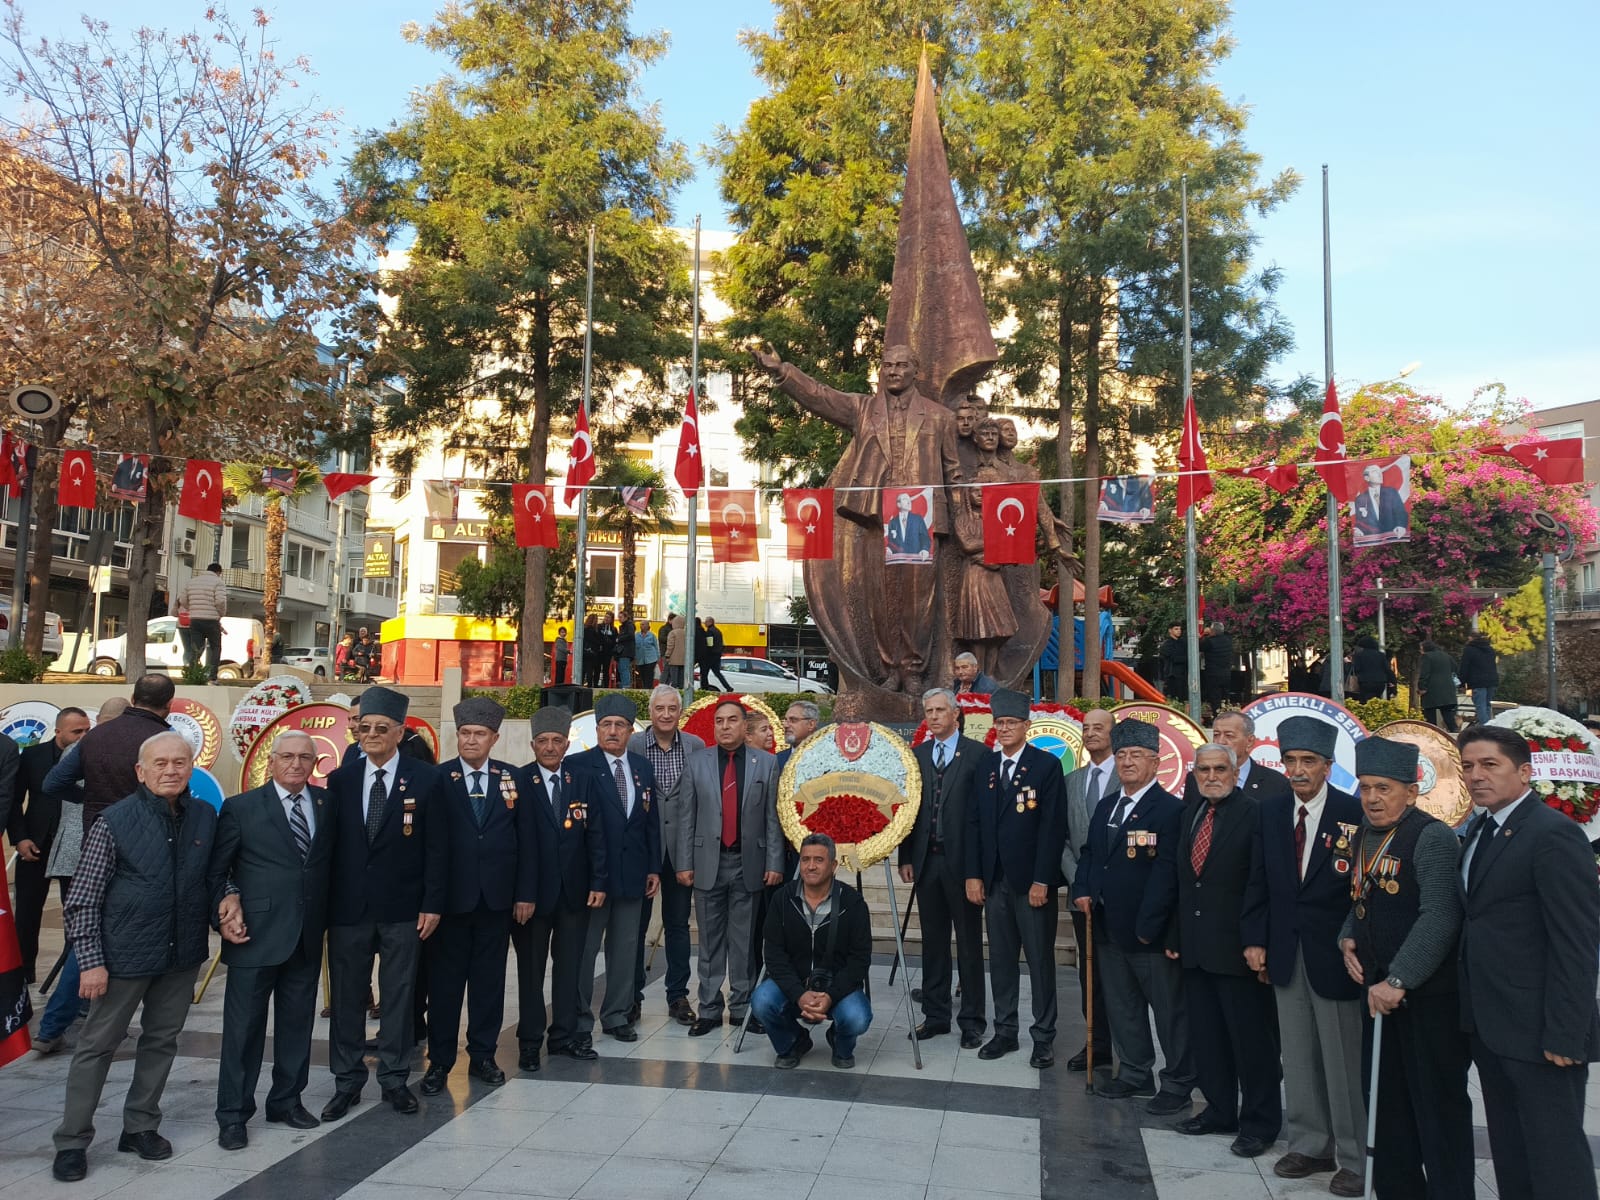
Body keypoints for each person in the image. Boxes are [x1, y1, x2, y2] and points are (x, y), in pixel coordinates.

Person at [50, 733, 217, 1183]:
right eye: (160, 763)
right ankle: (71, 1140)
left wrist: (232, 899)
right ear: (140, 772)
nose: (171, 771)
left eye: (180, 763)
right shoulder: (114, 820)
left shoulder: (204, 816)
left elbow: (215, 877)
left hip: (181, 956)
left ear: (191, 767)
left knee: (162, 1041)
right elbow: (82, 899)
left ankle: (140, 1126)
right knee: (96, 1047)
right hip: (122, 957)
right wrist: (90, 961)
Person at [753, 343, 961, 696]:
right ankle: (889, 667)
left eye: (901, 365)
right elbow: (821, 395)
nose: (893, 371)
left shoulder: (940, 417)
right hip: (877, 514)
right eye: (887, 365)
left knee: (918, 597)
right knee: (881, 596)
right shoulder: (864, 409)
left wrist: (960, 517)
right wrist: (781, 370)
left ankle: (913, 669)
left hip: (922, 516)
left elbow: (953, 471)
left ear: (915, 371)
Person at [1457, 725, 1600, 1200]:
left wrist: (1567, 1033)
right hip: (1492, 1026)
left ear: (1525, 771)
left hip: (1542, 1033)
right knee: (1510, 1150)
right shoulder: (1481, 826)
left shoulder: (1553, 834)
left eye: (1489, 765)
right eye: (1469, 766)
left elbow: (1577, 942)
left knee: (1555, 1157)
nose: (1477, 776)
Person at [1337, 737, 1474, 1199]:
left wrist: (1399, 979)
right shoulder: (1362, 831)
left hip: (1423, 997)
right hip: (1376, 995)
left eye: (1384, 788)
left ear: (1412, 793)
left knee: (1436, 1106)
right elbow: (1362, 897)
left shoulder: (1431, 836)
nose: (1372, 798)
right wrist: (1347, 936)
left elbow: (1441, 915)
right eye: (1365, 787)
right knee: (1385, 1103)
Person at [1240, 716, 1366, 1196]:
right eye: (1291, 760)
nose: (1297, 769)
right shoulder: (1269, 811)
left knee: (1340, 1060)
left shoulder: (1353, 813)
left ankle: (1353, 1156)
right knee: (1297, 1056)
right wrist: (1255, 938)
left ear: (1328, 767)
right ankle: (1310, 1144)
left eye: (1308, 761)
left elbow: (1361, 892)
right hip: (1285, 952)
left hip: (1335, 956)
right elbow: (1258, 880)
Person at [322, 687, 446, 1120]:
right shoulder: (340, 779)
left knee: (398, 995)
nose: (371, 734)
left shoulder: (426, 778)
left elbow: (437, 849)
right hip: (348, 911)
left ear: (399, 732)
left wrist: (432, 903)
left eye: (381, 728)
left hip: (404, 909)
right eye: (364, 727)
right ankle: (347, 1081)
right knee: (348, 998)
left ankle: (394, 1078)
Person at [209, 731, 335, 1149]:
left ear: (315, 763)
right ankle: (233, 1114)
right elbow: (217, 870)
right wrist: (226, 902)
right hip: (254, 936)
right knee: (243, 1030)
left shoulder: (325, 804)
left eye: (304, 757)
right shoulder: (241, 808)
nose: (296, 764)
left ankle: (286, 1100)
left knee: (297, 1025)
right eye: (287, 756)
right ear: (272, 761)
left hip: (305, 935)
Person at [1072, 717, 1194, 1112]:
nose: (1127, 763)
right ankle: (1134, 1072)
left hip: (1150, 934)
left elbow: (1169, 874)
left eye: (1136, 756)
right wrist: (1083, 889)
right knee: (1122, 1006)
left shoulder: (1170, 810)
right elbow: (1091, 855)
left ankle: (1177, 1081)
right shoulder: (1109, 805)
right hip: (1107, 927)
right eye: (1122, 755)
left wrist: (1152, 925)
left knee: (1170, 1013)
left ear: (1155, 763)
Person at [420, 699, 535, 1096]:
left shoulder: (512, 779)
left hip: (496, 901)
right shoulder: (438, 779)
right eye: (466, 733)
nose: (472, 740)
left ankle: (484, 1055)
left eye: (480, 734)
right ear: (458, 736)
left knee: (489, 984)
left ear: (494, 738)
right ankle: (439, 1061)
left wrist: (524, 894)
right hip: (450, 904)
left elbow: (526, 843)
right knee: (446, 986)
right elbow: (429, 845)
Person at [1173, 743, 1282, 1157]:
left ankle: (1260, 1123)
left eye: (1220, 769)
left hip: (1240, 950)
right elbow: (1184, 882)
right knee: (1209, 1039)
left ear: (1236, 773)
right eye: (1204, 770)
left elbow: (1263, 882)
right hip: (1197, 949)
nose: (1212, 776)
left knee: (1252, 1043)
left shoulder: (1256, 815)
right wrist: (1174, 939)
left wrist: (1258, 941)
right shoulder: (1192, 813)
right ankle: (1220, 1110)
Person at [965, 688, 1067, 1068]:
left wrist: (1043, 879)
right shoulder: (988, 767)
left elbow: (1052, 828)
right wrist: (973, 874)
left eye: (1012, 723)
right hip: (994, 881)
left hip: (1031, 883)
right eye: (1000, 723)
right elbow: (975, 823)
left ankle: (1043, 1037)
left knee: (1040, 962)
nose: (1005, 729)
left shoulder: (1045, 766)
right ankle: (1005, 1030)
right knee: (1003, 960)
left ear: (1027, 725)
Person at [674, 695, 783, 1035]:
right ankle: (708, 1009)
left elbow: (772, 819)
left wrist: (774, 861)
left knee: (743, 941)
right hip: (708, 863)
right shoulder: (697, 762)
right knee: (709, 941)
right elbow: (686, 816)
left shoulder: (765, 764)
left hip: (748, 863)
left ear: (743, 726)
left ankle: (741, 1008)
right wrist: (684, 862)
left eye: (731, 720)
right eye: (719, 721)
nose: (724, 727)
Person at [511, 707, 606, 1070]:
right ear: (533, 744)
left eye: (556, 741)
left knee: (570, 969)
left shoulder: (581, 780)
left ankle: (564, 1037)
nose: (550, 747)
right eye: (543, 742)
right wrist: (522, 894)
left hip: (574, 895)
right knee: (530, 973)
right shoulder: (518, 781)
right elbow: (516, 845)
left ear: (567, 744)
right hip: (531, 899)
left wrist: (599, 882)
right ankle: (530, 1042)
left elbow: (596, 836)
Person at [33, 699, 130, 1054]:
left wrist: (86, 798)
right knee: (87, 941)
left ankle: (55, 1026)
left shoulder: (85, 745)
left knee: (82, 940)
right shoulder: (110, 745)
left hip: (80, 850)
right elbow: (52, 784)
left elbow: (53, 784)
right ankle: (67, 1021)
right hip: (97, 852)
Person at [568, 694, 661, 1047]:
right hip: (592, 880)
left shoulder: (642, 767)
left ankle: (617, 1015)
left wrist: (653, 866)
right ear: (597, 730)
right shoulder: (577, 766)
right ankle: (577, 1017)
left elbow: (650, 822)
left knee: (625, 949)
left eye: (619, 725)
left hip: (634, 874)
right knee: (585, 950)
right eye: (606, 725)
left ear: (629, 730)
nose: (612, 731)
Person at [902, 688, 988, 1047]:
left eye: (940, 710)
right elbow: (908, 808)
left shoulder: (978, 755)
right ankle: (935, 1016)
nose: (934, 716)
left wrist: (977, 871)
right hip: (926, 861)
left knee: (968, 943)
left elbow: (983, 817)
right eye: (929, 710)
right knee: (933, 943)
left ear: (956, 714)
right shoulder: (918, 755)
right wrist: (906, 855)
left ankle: (972, 1020)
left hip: (963, 865)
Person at [752, 833, 873, 1069]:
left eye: (819, 860)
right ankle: (792, 1042)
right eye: (805, 859)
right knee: (761, 1002)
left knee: (857, 1017)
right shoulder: (782, 899)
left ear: (834, 865)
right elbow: (774, 955)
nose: (810, 866)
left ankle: (840, 1040)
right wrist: (799, 994)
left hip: (837, 986)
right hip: (792, 984)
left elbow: (860, 959)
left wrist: (830, 996)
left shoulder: (853, 903)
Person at [630, 686, 704, 1026]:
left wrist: (691, 856)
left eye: (672, 707)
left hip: (681, 852)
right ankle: (631, 996)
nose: (665, 714)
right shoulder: (633, 746)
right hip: (642, 852)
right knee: (636, 925)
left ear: (680, 711)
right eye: (659, 708)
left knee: (677, 926)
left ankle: (677, 996)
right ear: (651, 711)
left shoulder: (695, 747)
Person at [7, 707, 90, 983]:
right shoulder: (32, 756)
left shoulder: (91, 756)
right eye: (77, 731)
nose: (83, 736)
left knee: (75, 915)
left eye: (87, 730)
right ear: (58, 731)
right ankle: (24, 973)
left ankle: (72, 976)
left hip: (74, 849)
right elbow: (13, 800)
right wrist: (19, 838)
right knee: (27, 914)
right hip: (35, 845)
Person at [1060, 708, 1116, 1078]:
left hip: (1120, 896)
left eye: (1099, 728)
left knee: (1120, 974)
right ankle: (1096, 1042)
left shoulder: (1128, 775)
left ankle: (1127, 1046)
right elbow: (1061, 839)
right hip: (1081, 896)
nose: (1091, 733)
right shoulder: (1072, 781)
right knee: (1089, 973)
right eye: (1086, 728)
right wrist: (1078, 883)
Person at [72, 674, 175, 830]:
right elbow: (173, 793)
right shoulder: (167, 740)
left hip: (97, 831)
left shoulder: (94, 735)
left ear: (133, 699)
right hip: (146, 833)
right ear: (169, 704)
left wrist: (90, 799)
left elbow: (54, 783)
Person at [175, 562, 227, 681]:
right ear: (218, 572)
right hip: (211, 620)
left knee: (196, 648)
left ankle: (193, 675)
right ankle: (212, 676)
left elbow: (182, 600)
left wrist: (192, 608)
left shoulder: (192, 582)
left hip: (195, 620)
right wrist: (221, 613)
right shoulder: (218, 582)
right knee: (215, 647)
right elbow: (220, 602)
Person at [1352, 463, 1408, 542]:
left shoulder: (1391, 492)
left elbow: (1400, 512)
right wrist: (1358, 530)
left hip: (1393, 537)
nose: (1379, 474)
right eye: (1375, 472)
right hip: (1372, 541)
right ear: (1367, 478)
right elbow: (1360, 521)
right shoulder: (1360, 499)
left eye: (1380, 471)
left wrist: (1401, 525)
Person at [1416, 640, 1459, 732]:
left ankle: (1433, 733)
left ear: (1425, 648)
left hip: (1432, 690)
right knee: (1448, 715)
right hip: (1448, 689)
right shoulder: (1446, 656)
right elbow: (1455, 668)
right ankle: (1455, 733)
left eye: (1421, 648)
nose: (1420, 651)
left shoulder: (1426, 656)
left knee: (1429, 715)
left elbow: (1424, 673)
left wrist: (1422, 687)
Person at [1458, 633, 1498, 725]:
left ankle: (1485, 729)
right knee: (1487, 705)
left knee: (1480, 706)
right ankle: (1489, 726)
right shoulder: (1490, 649)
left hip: (1477, 682)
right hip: (1491, 681)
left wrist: (1462, 683)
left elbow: (1464, 667)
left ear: (1472, 639)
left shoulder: (1469, 650)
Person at [885, 489, 932, 561]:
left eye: (909, 499)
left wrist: (925, 549)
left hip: (916, 560)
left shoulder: (918, 519)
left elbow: (925, 537)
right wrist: (889, 549)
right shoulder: (892, 522)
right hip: (899, 562)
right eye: (905, 499)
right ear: (898, 504)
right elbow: (892, 543)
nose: (909, 501)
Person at [1199, 621, 1234, 712]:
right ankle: (1227, 713)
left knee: (1215, 697)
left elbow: (1199, 646)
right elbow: (1226, 634)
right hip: (1226, 674)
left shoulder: (1209, 641)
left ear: (1212, 631)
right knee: (1225, 696)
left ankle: (1216, 716)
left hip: (1213, 674)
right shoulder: (1228, 640)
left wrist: (1204, 635)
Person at [1349, 636, 1393, 702]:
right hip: (1380, 682)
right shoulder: (1381, 655)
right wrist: (1391, 680)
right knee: (1376, 700)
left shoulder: (1359, 655)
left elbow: (1356, 668)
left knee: (1365, 700)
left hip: (1365, 682)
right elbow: (1387, 669)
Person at [1159, 622, 1188, 701]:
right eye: (1176, 629)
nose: (1179, 631)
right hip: (1172, 676)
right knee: (1173, 698)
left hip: (1184, 675)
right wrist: (1188, 658)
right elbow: (1174, 658)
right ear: (1170, 630)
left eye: (1180, 629)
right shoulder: (1166, 645)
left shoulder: (1183, 642)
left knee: (1183, 699)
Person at [703, 617, 733, 691]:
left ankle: (704, 688)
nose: (705, 623)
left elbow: (709, 644)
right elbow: (722, 644)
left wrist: (706, 653)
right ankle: (728, 687)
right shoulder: (718, 631)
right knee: (717, 673)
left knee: (704, 672)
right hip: (717, 654)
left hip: (711, 655)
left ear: (710, 622)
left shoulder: (710, 631)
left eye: (706, 622)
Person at [663, 615, 687, 689]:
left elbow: (670, 645)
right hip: (683, 659)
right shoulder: (686, 633)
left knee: (674, 678)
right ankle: (681, 691)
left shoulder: (672, 633)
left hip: (673, 659)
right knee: (681, 679)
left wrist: (667, 655)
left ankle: (673, 691)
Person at [634, 621, 659, 687]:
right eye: (640, 625)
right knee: (642, 676)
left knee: (649, 676)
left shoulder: (652, 635)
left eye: (643, 624)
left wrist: (658, 657)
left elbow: (656, 646)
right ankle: (645, 688)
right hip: (640, 659)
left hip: (651, 659)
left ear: (647, 626)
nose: (641, 626)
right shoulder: (636, 635)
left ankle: (649, 689)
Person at [614, 618, 635, 687]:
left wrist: (619, 639)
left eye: (621, 617)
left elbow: (630, 635)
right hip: (623, 651)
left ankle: (626, 685)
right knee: (621, 668)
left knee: (624, 668)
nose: (619, 619)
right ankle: (625, 684)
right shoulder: (624, 626)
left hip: (625, 651)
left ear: (625, 617)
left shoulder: (629, 625)